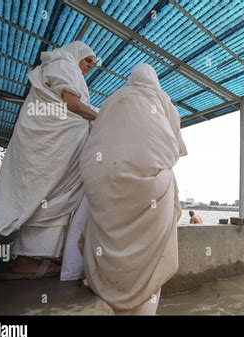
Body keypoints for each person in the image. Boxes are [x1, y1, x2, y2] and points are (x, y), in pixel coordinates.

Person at [79, 63, 187, 315]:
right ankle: (143, 301)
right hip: (149, 189)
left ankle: (110, 291)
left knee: (104, 235)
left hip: (104, 184)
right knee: (151, 254)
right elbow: (176, 147)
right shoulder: (160, 98)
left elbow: (98, 138)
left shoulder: (111, 100)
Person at [0, 41, 98, 279]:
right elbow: (72, 105)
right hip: (51, 147)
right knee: (49, 194)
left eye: (93, 62)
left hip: (53, 146)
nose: (91, 65)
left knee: (51, 196)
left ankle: (35, 257)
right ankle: (28, 261)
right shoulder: (64, 66)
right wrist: (102, 116)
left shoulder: (64, 69)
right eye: (88, 59)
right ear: (76, 54)